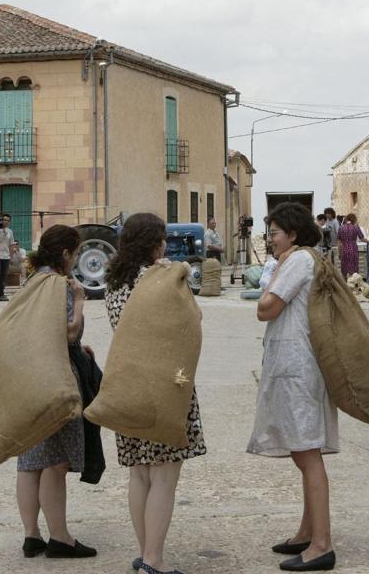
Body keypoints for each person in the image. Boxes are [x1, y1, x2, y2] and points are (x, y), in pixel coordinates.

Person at [104, 213, 206, 574]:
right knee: (164, 475)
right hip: (164, 387)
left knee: (140, 473)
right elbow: (193, 319)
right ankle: (154, 560)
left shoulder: (116, 281)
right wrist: (174, 273)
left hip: (127, 385)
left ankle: (145, 553)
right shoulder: (160, 277)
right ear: (154, 243)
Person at [249, 202, 338, 572]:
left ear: (294, 234)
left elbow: (266, 308)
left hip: (298, 370)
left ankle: (322, 545)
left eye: (274, 234)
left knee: (307, 454)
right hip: (294, 367)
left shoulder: (298, 261)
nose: (270, 240)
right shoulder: (299, 260)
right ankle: (307, 532)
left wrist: (268, 285)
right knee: (303, 454)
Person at [15, 225, 100, 561]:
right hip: (56, 379)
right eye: (75, 253)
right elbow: (65, 333)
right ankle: (61, 539)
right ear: (65, 253)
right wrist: (80, 302)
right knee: (56, 462)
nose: (76, 259)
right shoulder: (59, 286)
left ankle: (31, 536)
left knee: (30, 459)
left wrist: (81, 347)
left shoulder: (33, 280)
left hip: (30, 378)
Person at [336, 214, 368, 278]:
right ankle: (353, 284)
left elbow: (339, 241)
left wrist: (339, 252)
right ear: (353, 219)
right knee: (354, 269)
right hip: (353, 249)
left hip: (344, 249)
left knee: (344, 269)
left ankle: (345, 285)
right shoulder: (355, 227)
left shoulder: (341, 227)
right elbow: (362, 238)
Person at [0, 214, 14, 302]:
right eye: (4, 220)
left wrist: (10, 257)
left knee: (3, 276)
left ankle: (1, 294)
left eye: (8, 220)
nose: (6, 222)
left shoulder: (10, 232)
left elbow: (11, 245)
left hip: (6, 256)